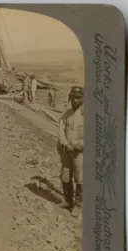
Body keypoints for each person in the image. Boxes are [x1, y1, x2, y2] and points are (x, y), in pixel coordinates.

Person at [57, 86, 84, 217]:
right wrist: (66, 143)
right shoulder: (66, 115)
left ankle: (78, 205)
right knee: (65, 176)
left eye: (78, 97)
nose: (75, 100)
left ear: (82, 99)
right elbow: (61, 131)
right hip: (67, 151)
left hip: (80, 153)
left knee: (79, 178)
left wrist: (81, 144)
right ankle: (68, 201)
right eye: (73, 97)